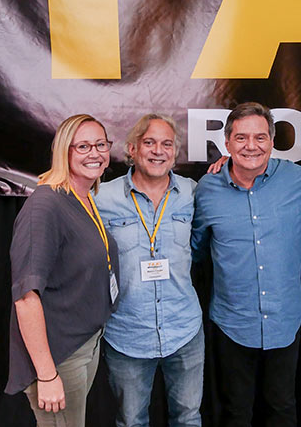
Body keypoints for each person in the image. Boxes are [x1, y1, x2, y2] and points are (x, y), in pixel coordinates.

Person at [192, 102, 301, 427]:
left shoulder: (297, 180)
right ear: (227, 143)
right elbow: (196, 250)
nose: (251, 146)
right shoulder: (207, 189)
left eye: (260, 137)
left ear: (272, 141)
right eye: (242, 138)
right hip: (232, 323)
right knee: (235, 412)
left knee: (281, 409)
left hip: (284, 321)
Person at [5, 114, 119, 427]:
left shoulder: (84, 197)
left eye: (100, 144)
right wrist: (48, 374)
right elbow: (26, 297)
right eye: (82, 146)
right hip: (59, 355)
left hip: (84, 342)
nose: (94, 153)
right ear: (63, 152)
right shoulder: (45, 205)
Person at [96, 114, 204, 427]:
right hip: (127, 331)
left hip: (184, 329)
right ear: (132, 149)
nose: (158, 150)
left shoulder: (194, 193)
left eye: (166, 144)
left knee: (188, 418)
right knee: (131, 421)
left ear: (175, 152)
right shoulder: (103, 198)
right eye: (149, 142)